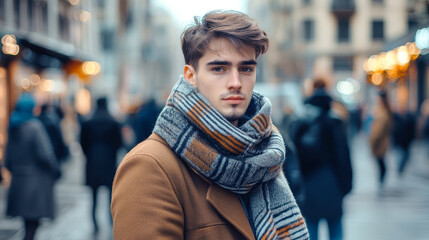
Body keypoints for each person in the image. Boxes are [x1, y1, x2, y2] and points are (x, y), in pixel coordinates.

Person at [111, 10, 309, 239]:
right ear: (190, 76)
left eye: (246, 69)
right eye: (219, 69)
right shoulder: (149, 167)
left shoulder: (266, 155)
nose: (235, 83)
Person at [290, 78, 352, 240]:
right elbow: (343, 156)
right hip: (333, 182)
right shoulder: (335, 122)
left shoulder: (301, 121)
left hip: (309, 183)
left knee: (311, 228)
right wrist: (346, 184)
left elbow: (293, 154)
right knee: (335, 227)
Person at [5, 93, 60, 240]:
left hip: (18, 181)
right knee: (33, 223)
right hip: (35, 182)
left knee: (27, 222)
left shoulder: (12, 127)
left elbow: (7, 160)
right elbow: (45, 154)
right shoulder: (34, 127)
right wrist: (55, 170)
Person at [80, 97, 123, 233]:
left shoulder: (88, 123)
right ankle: (111, 224)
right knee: (111, 197)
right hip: (109, 162)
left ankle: (95, 225)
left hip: (93, 162)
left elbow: (83, 143)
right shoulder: (113, 123)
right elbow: (119, 143)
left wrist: (89, 155)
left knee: (93, 197)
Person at [369, 90, 392, 190]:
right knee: (381, 162)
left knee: (381, 162)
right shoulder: (383, 111)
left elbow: (378, 131)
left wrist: (373, 142)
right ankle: (381, 180)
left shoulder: (382, 113)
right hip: (381, 141)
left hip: (380, 142)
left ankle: (381, 180)